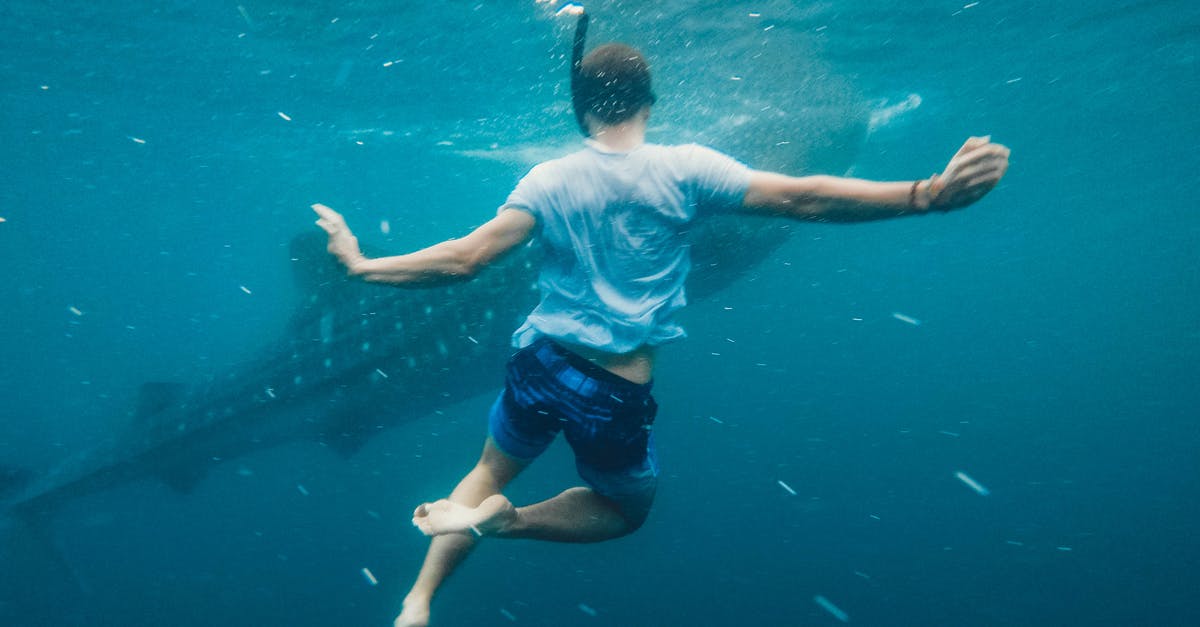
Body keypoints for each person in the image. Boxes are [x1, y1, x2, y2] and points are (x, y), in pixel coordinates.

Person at [314, 30, 1009, 627]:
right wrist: (926, 195)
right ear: (651, 103)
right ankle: (512, 522)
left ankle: (419, 599)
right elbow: (807, 197)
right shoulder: (688, 169)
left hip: (538, 360)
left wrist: (363, 263)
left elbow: (463, 259)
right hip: (612, 386)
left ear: (580, 109)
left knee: (487, 468)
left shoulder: (548, 179)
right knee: (624, 510)